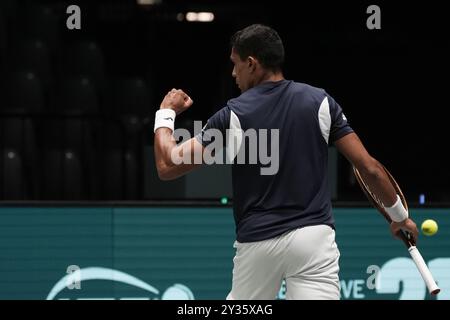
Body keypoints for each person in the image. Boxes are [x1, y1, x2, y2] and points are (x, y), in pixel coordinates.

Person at [153, 24, 419, 300]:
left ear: (252, 64)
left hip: (258, 243)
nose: (233, 73)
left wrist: (166, 113)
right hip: (313, 241)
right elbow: (370, 168)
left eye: (235, 64)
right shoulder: (321, 102)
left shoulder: (232, 115)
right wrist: (400, 218)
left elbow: (167, 166)